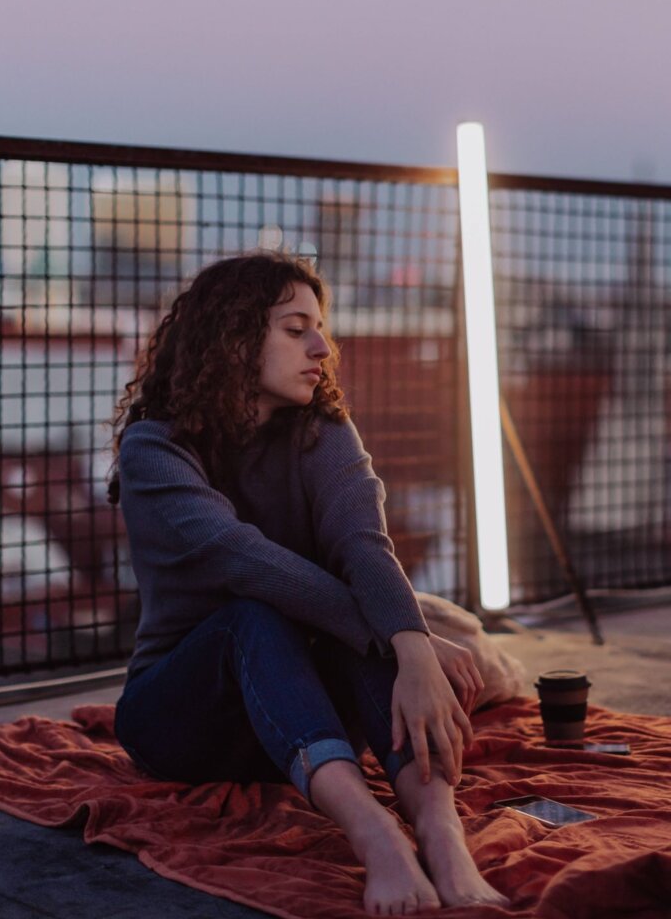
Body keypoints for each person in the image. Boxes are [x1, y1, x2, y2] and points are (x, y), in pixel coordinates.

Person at [108, 252, 509, 914]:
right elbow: (246, 561)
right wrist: (403, 641)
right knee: (258, 613)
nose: (322, 347)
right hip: (183, 719)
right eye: (296, 330)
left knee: (364, 622)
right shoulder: (154, 449)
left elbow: (364, 545)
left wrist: (410, 643)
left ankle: (439, 831)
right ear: (234, 338)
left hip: (300, 718)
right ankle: (377, 835)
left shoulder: (321, 430)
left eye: (320, 328)